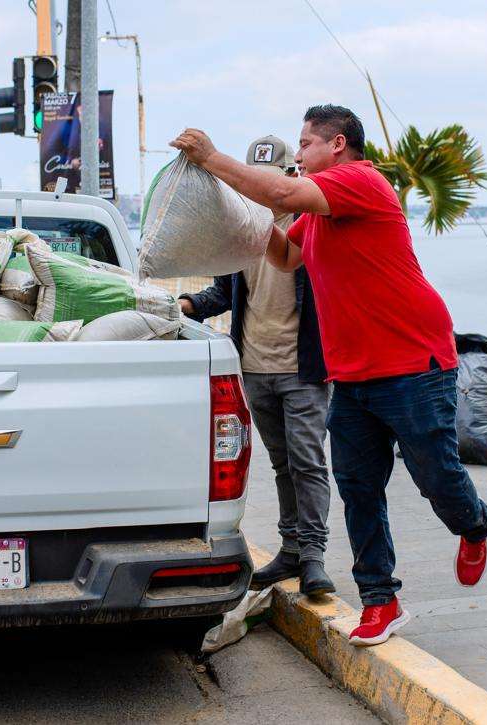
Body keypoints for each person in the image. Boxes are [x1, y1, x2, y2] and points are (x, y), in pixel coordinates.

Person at [170, 105, 487, 647]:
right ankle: (380, 600)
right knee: (358, 488)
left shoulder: (361, 181)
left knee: (435, 476)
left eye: (305, 144)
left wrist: (212, 157)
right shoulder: (317, 214)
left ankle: (474, 524)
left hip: (413, 365)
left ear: (337, 144)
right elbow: (285, 256)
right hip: (353, 376)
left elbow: (282, 192)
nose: (298, 154)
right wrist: (239, 217)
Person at [179, 135, 335, 597]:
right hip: (253, 366)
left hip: (303, 369)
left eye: (272, 179)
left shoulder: (311, 225)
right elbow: (224, 293)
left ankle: (313, 557)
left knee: (308, 463)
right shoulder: (244, 230)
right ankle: (290, 551)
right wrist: (186, 305)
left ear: (291, 176)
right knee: (284, 464)